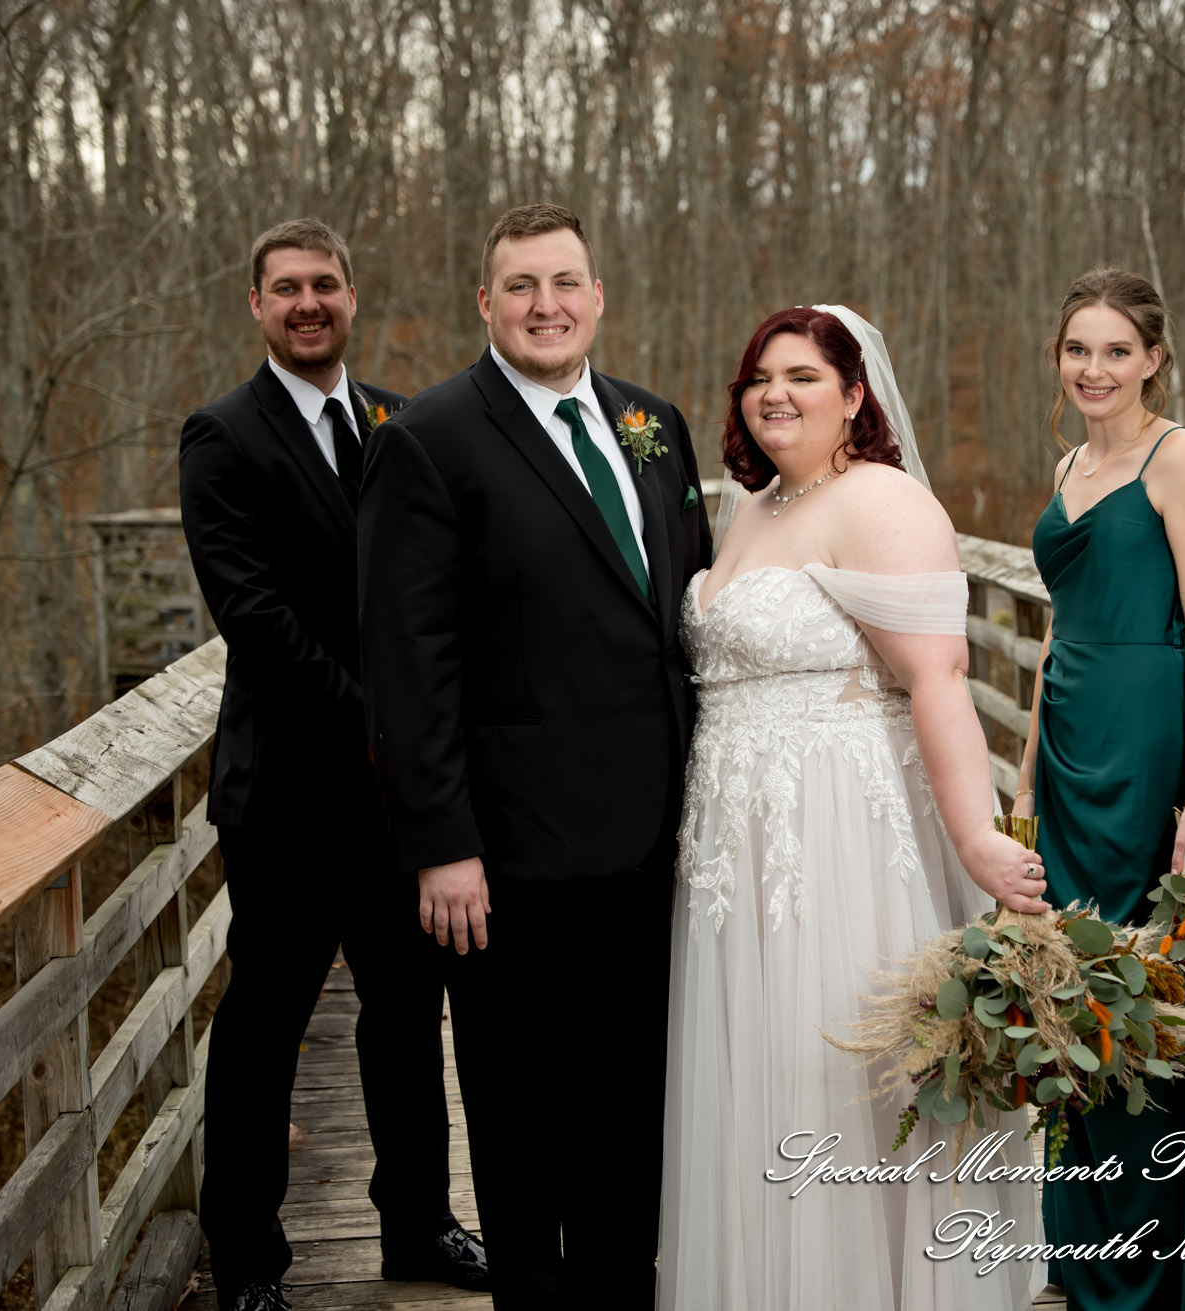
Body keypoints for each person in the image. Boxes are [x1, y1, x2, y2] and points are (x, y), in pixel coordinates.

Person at [356, 202, 712, 1310]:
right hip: (508, 857)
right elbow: (406, 664)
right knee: (519, 1116)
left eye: (565, 282)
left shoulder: (654, 425)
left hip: (655, 842)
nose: (546, 305)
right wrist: (440, 843)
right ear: (485, 302)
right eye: (521, 286)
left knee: (629, 1112)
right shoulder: (428, 438)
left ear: (599, 295)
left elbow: (681, 620)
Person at [657, 305, 1047, 1311]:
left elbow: (940, 679)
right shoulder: (759, 506)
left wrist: (975, 839)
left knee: (832, 1073)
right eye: (758, 378)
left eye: (802, 376)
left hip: (834, 837)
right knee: (759, 1077)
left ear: (856, 395)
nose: (774, 394)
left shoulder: (882, 500)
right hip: (731, 847)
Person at [180, 218, 487, 1311]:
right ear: (256, 306)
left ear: (354, 297)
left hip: (401, 802)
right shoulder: (223, 436)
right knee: (268, 1024)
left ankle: (418, 1223)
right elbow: (253, 617)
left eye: (326, 285)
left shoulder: (403, 421)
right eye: (286, 289)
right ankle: (251, 1260)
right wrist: (383, 722)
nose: (308, 303)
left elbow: (443, 592)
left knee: (408, 1016)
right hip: (293, 795)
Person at [1012, 267, 1185, 1309]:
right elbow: (1057, 631)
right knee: (1072, 987)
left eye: (1117, 350)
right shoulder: (1071, 459)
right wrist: (1024, 781)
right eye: (1079, 349)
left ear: (1154, 358)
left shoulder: (1180, 457)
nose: (1095, 368)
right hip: (1070, 744)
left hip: (1150, 746)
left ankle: (1171, 1256)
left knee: (1153, 986)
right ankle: (1088, 1242)